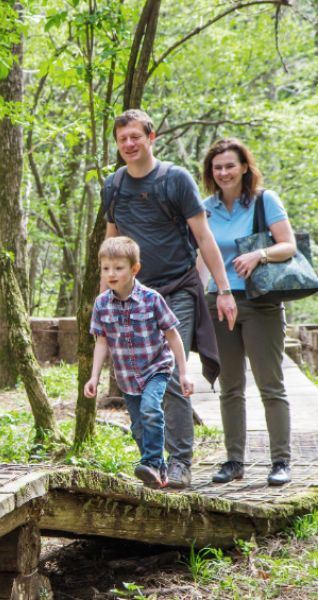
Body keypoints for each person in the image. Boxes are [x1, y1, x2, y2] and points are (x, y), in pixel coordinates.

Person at [102, 109, 237, 490]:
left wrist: (223, 290)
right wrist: (104, 300)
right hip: (133, 297)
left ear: (151, 137)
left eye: (135, 137)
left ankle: (180, 464)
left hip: (178, 288)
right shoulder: (112, 186)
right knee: (136, 381)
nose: (129, 145)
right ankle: (153, 462)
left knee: (172, 375)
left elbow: (204, 237)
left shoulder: (175, 179)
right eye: (122, 139)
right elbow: (111, 247)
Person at [199, 138, 295, 486]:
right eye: (217, 167)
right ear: (211, 172)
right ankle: (233, 460)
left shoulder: (263, 201)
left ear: (243, 167)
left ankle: (280, 460)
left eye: (230, 165)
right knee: (230, 387)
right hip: (217, 303)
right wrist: (197, 301)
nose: (223, 172)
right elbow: (201, 257)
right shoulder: (205, 207)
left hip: (260, 302)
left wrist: (260, 255)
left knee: (271, 385)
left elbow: (288, 245)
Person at [86, 237, 194, 488]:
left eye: (118, 268)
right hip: (126, 375)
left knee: (150, 410)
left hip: (156, 368)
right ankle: (157, 471)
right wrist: (94, 377)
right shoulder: (101, 304)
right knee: (137, 427)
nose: (111, 274)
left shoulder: (152, 298)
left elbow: (173, 336)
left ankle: (152, 462)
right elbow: (101, 342)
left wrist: (184, 372)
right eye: (106, 268)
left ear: (134, 269)